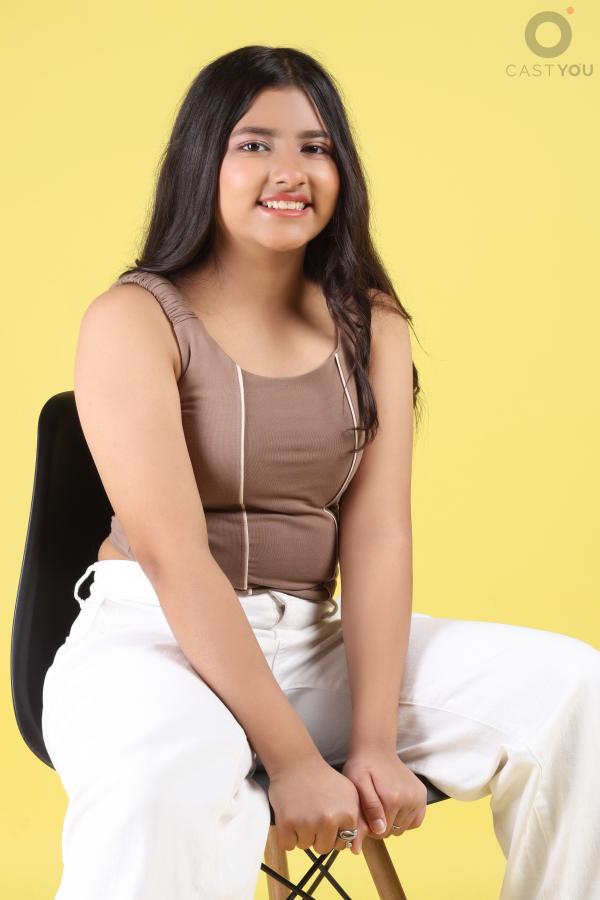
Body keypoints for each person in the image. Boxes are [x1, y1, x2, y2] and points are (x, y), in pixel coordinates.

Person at [41, 45, 600, 900]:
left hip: (311, 641)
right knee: (161, 788)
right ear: (203, 160)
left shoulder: (373, 325)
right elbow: (174, 557)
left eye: (316, 146)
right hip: (155, 639)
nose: (290, 171)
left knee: (572, 690)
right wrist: (295, 760)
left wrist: (373, 742)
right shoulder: (132, 317)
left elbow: (378, 535)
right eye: (254, 144)